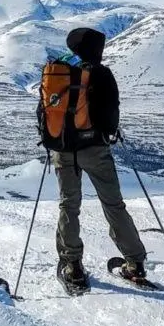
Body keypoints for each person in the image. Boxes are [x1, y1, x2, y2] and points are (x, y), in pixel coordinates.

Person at [41, 26, 148, 292]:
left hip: (63, 149)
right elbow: (111, 115)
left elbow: (44, 111)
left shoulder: (58, 70)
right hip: (95, 149)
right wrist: (107, 131)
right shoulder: (100, 73)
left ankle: (72, 266)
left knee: (69, 206)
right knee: (113, 205)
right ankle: (134, 263)